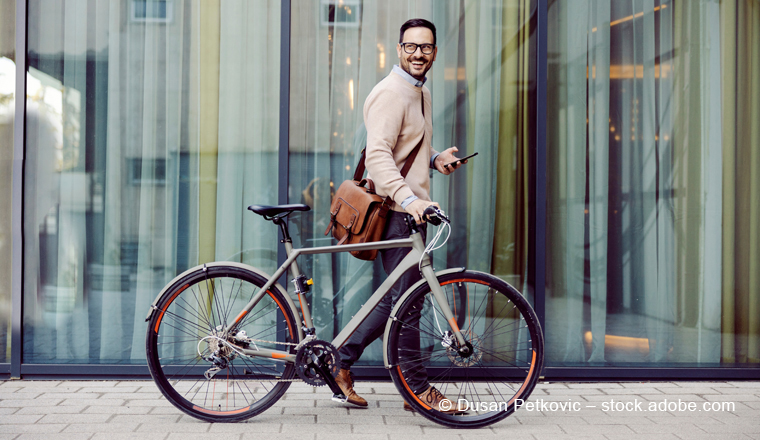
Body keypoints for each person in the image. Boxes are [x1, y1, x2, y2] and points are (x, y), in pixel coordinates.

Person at [334, 18, 466, 412]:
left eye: (425, 47)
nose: (418, 54)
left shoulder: (418, 92)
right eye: (411, 47)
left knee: (399, 300)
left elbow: (402, 145)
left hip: (407, 211)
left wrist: (434, 158)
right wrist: (411, 199)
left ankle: (338, 361)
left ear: (435, 53)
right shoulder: (392, 92)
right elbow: (377, 156)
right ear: (398, 49)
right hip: (394, 211)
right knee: (409, 303)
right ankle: (418, 390)